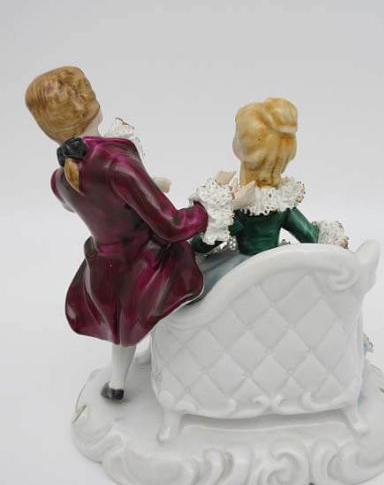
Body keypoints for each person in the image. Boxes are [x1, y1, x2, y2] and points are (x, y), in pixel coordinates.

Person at [25, 66, 248, 400]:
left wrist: (144, 189)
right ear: (88, 102)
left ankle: (117, 385)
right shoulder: (116, 162)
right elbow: (172, 226)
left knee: (123, 330)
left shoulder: (61, 178)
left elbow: (91, 202)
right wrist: (212, 207)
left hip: (106, 270)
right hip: (150, 264)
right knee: (192, 296)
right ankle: (184, 368)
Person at [191, 97, 349, 295]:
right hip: (274, 269)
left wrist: (195, 238)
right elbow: (310, 236)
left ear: (245, 150)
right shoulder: (280, 202)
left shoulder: (243, 204)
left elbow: (204, 244)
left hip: (245, 274)